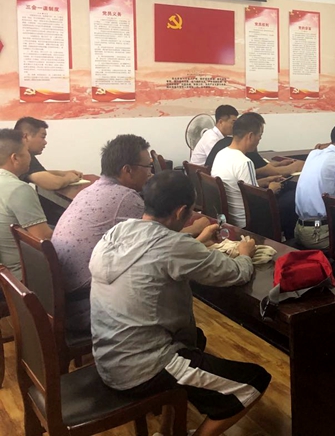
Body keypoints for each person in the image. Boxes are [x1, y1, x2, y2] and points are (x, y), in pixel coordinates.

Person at [90, 171, 270, 436]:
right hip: (143, 368)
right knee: (253, 382)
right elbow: (235, 273)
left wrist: (196, 241)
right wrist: (245, 254)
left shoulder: (117, 232)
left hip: (109, 357)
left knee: (194, 338)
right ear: (181, 211)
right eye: (191, 211)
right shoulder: (173, 246)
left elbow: (159, 252)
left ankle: (168, 431)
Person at [51, 134, 211, 334]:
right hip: (85, 304)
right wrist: (197, 229)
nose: (151, 174)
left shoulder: (90, 189)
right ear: (127, 170)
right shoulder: (125, 198)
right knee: (168, 286)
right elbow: (161, 238)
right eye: (147, 167)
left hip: (61, 296)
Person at [211, 113, 284, 227]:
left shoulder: (221, 154)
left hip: (229, 218)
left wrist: (266, 180)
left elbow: (238, 186)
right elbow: (255, 201)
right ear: (250, 136)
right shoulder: (245, 162)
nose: (260, 139)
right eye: (260, 135)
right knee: (287, 205)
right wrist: (271, 189)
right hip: (247, 222)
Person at [0, 128, 51, 279]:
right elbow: (43, 240)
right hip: (20, 277)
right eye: (27, 152)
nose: (30, 157)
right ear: (15, 158)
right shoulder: (18, 189)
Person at [14, 117, 82, 190]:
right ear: (25, 137)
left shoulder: (12, 149)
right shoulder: (22, 155)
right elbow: (54, 183)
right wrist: (68, 178)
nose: (45, 142)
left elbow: (38, 173)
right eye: (42, 137)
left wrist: (62, 173)